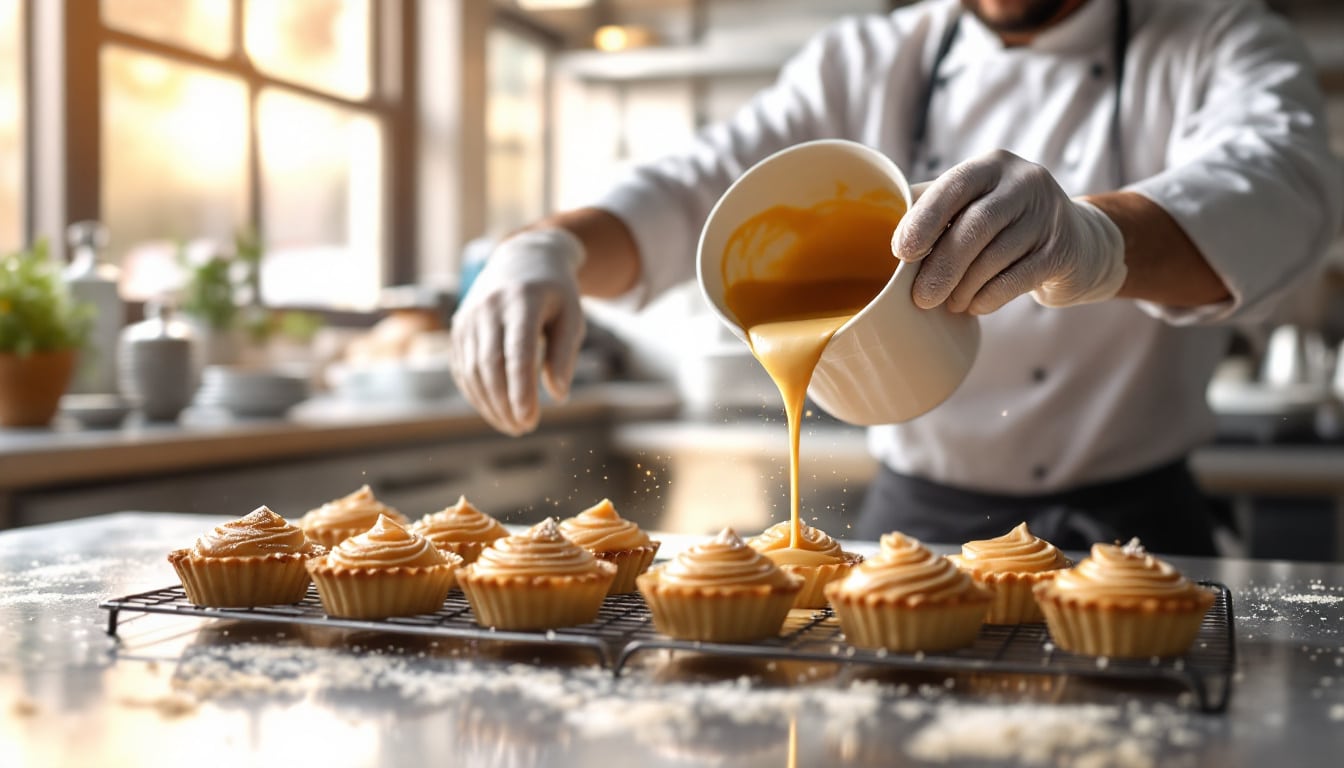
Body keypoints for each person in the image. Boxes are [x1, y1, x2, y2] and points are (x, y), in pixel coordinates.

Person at [448, 0, 1344, 556]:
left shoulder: (1215, 32)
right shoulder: (868, 61)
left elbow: (1285, 186)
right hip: (915, 528)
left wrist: (1095, 239)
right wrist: (549, 247)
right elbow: (691, 189)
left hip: (1136, 525)